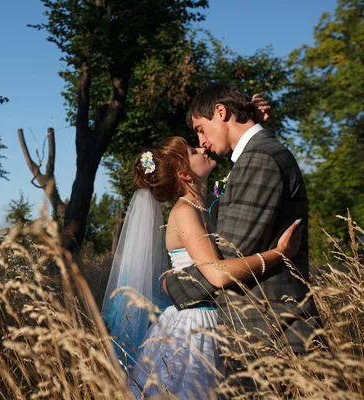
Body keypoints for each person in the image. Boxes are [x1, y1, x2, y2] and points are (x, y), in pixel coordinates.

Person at [102, 134, 302, 399]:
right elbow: (217, 274)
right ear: (185, 174)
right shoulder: (184, 212)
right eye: (193, 151)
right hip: (196, 324)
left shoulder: (204, 208)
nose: (202, 148)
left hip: (213, 317)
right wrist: (279, 253)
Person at [162, 83, 322, 395]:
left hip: (272, 332)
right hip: (262, 332)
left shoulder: (259, 158)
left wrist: (173, 284)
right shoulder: (257, 155)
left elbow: (227, 255)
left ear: (220, 112)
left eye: (200, 129)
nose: (203, 143)